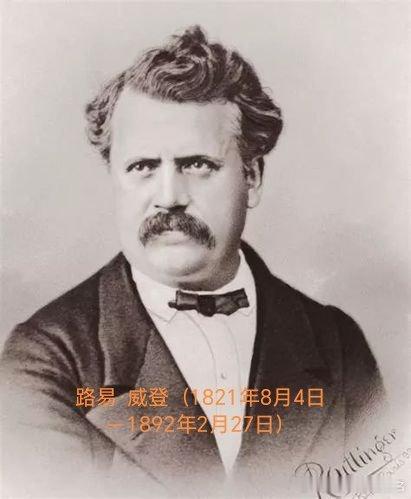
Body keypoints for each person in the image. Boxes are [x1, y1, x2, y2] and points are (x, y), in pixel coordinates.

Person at [1, 25, 385, 497]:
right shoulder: (45, 358)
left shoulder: (336, 345)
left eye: (197, 164)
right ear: (115, 179)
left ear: (252, 176)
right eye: (143, 167)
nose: (169, 197)